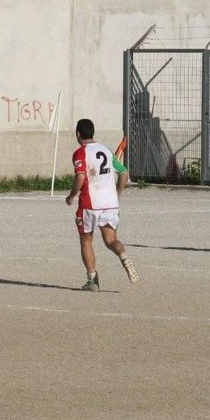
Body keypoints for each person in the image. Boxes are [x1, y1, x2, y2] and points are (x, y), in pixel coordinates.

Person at [64, 118, 139, 291]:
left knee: (86, 240)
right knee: (111, 240)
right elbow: (123, 172)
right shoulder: (106, 150)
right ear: (93, 133)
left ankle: (92, 280)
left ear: (78, 134)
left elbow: (80, 176)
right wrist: (117, 193)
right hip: (110, 203)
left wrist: (71, 196)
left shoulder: (80, 152)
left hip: (90, 203)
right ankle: (123, 256)